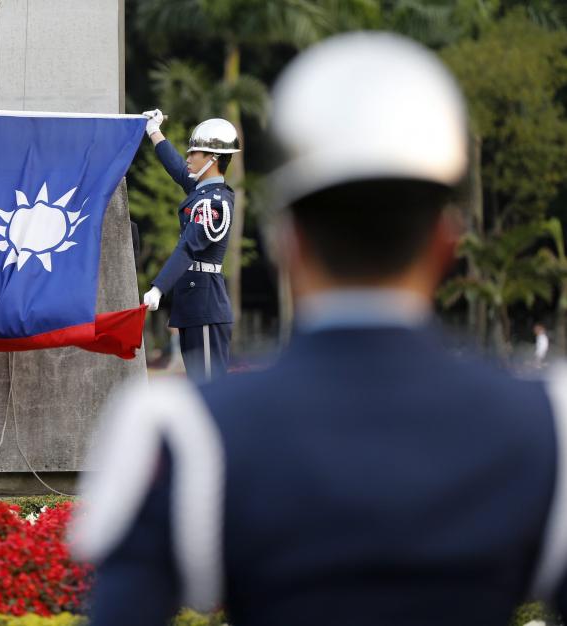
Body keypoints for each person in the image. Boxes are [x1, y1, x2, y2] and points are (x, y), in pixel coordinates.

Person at [72, 32, 567, 625]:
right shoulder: (548, 427)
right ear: (446, 244)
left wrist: (156, 282)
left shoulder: (181, 432)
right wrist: (158, 140)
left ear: (289, 243)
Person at [139, 111, 238, 383]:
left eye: (195, 153)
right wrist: (154, 131)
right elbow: (176, 167)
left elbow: (188, 248)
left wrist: (159, 287)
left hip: (205, 305)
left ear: (213, 158)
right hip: (194, 304)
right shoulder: (201, 190)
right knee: (199, 388)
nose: (188, 157)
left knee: (210, 391)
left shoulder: (214, 203)